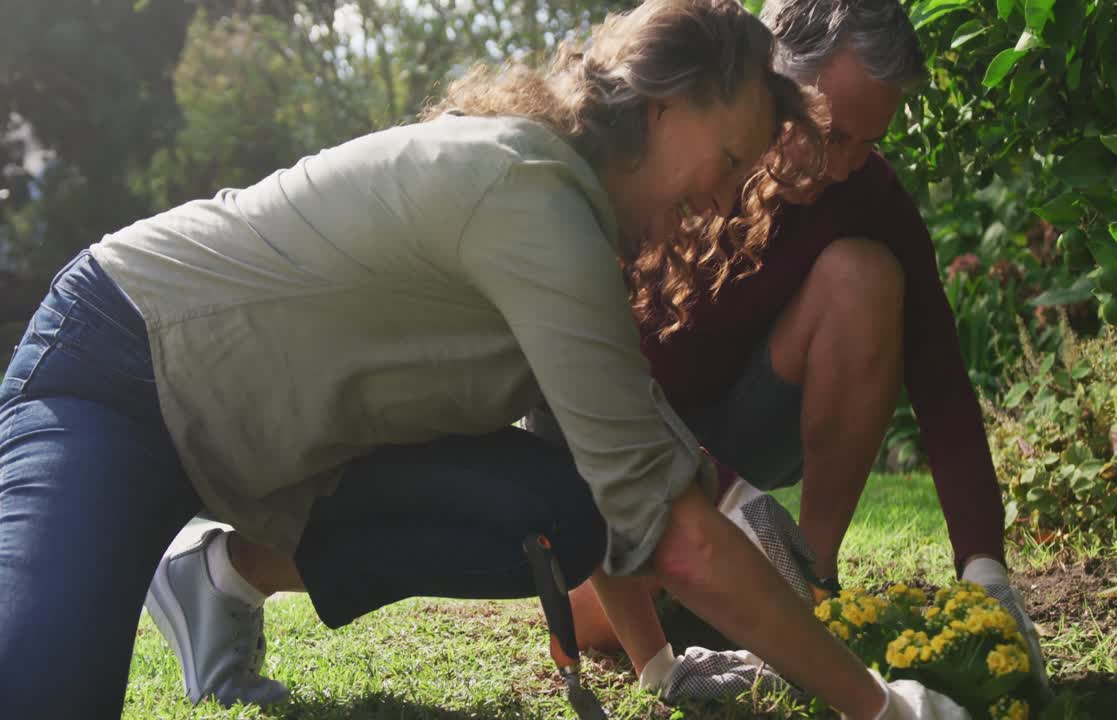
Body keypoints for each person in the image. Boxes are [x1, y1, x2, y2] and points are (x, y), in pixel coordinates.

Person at [0, 0, 964, 717]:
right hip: (122, 371)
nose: (728, 198)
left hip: (262, 447)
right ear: (667, 109)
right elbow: (681, 538)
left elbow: (615, 464)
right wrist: (881, 708)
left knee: (559, 513)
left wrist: (661, 667)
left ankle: (219, 580)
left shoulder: (577, 219)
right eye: (729, 160)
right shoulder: (528, 190)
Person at [555, 0, 1050, 702]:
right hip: (639, 445)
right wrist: (706, 507)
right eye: (831, 133)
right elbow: (585, 386)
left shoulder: (866, 192)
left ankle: (810, 586)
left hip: (750, 424)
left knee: (864, 275)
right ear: (769, 82)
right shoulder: (666, 165)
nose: (842, 166)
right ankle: (727, 593)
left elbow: (940, 379)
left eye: (866, 143)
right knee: (599, 618)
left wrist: (985, 571)